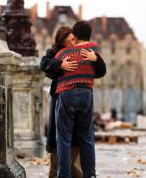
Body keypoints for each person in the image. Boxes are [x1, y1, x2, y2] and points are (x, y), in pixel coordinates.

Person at [40, 26, 106, 178]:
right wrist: (60, 65)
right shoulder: (55, 52)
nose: (74, 42)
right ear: (62, 41)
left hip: (71, 95)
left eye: (74, 38)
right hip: (59, 97)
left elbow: (101, 70)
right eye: (70, 40)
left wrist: (96, 59)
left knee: (75, 138)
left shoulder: (85, 51)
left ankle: (77, 174)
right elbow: (44, 65)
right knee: (63, 138)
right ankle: (59, 173)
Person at [54, 21, 101, 178]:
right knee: (87, 138)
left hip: (67, 94)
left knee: (64, 139)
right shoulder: (94, 50)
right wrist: (95, 59)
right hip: (86, 93)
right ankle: (90, 175)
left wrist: (60, 65)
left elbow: (48, 70)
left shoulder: (62, 54)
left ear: (74, 35)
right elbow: (101, 71)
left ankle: (64, 175)